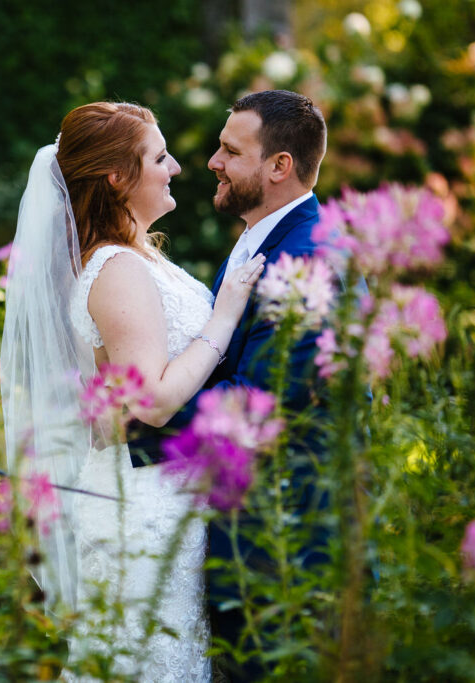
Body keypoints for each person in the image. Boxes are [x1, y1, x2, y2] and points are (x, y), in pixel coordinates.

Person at [0, 102, 265, 681]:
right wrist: (223, 321)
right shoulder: (116, 267)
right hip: (142, 511)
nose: (175, 167)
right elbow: (151, 401)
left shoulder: (141, 256)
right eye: (158, 157)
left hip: (165, 497)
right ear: (117, 177)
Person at [131, 89, 330, 680]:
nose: (212, 162)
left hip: (286, 550)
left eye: (229, 150)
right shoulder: (260, 239)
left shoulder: (308, 258)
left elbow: (256, 401)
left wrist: (138, 421)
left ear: (279, 166)